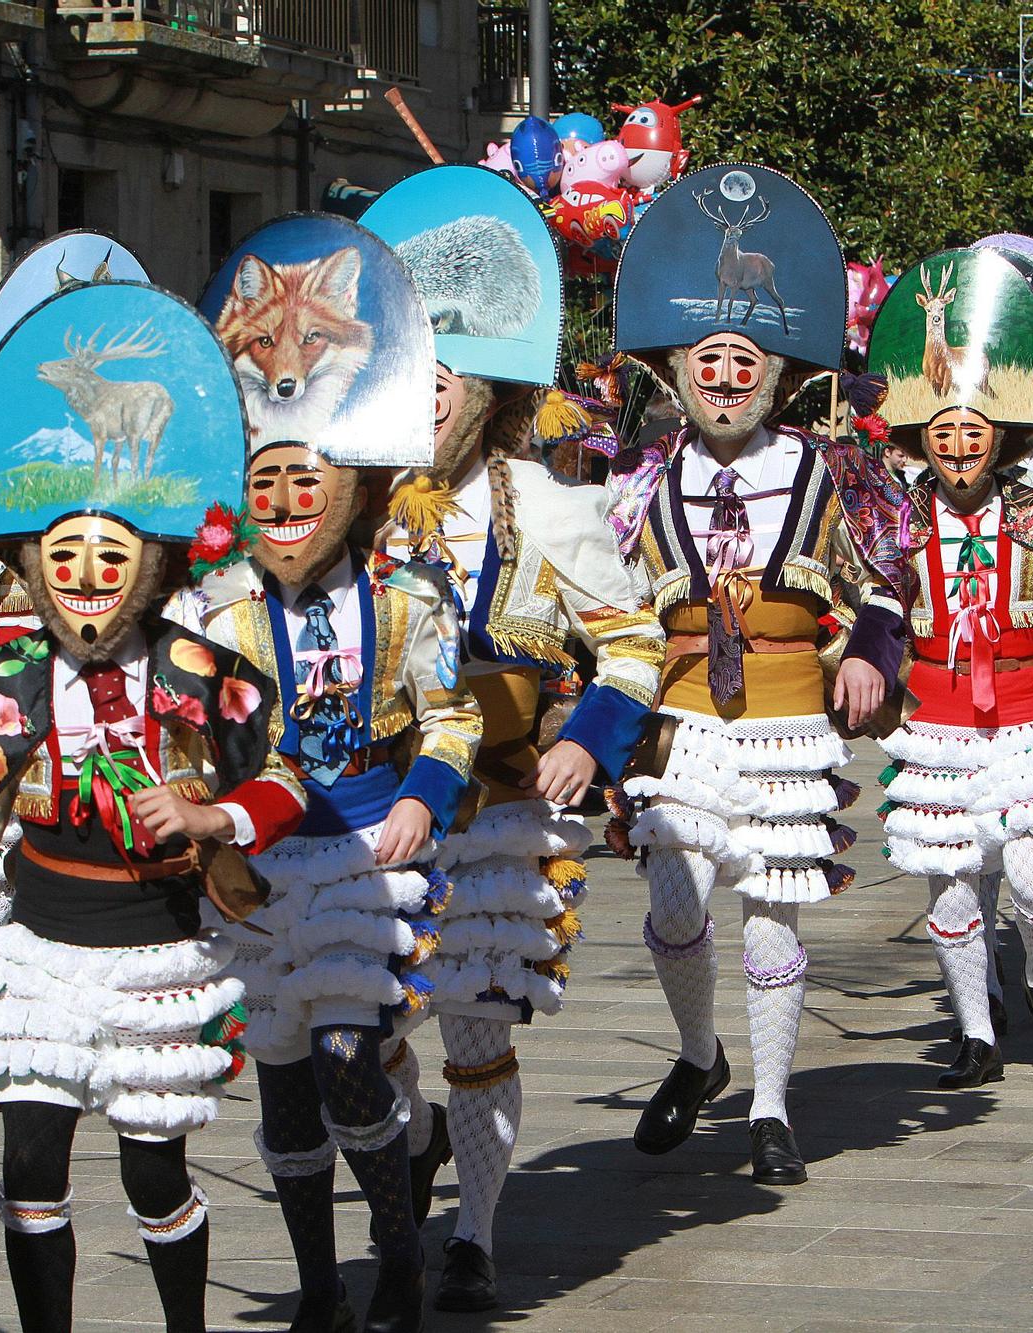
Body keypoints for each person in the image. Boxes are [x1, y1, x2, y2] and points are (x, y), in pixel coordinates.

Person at [0, 281, 299, 1333]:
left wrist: (209, 821)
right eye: (65, 559)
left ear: (150, 567)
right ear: (34, 572)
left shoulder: (206, 673)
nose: (86, 579)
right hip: (38, 946)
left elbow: (283, 780)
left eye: (108, 558)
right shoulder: (4, 684)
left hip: (157, 952)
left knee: (153, 1178)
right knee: (31, 1165)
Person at [362, 165, 665, 1308]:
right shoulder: (339, 499)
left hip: (496, 804)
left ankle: (473, 1238)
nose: (424, 399)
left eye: (443, 381)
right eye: (408, 378)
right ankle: (413, 1138)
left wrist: (590, 734)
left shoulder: (546, 507)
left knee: (477, 1022)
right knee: (362, 1029)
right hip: (366, 802)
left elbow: (632, 640)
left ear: (485, 394)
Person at [184, 213, 480, 1333]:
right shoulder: (208, 615)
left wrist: (419, 796)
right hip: (256, 870)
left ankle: (397, 1254)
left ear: (350, 487)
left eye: (306, 483)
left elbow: (449, 719)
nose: (287, 505)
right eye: (265, 484)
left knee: (354, 1052)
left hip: (363, 853)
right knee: (283, 1081)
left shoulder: (408, 603)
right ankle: (317, 1287)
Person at [601, 164, 906, 1182]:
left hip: (786, 718)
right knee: (674, 903)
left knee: (773, 905)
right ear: (676, 370)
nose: (725, 376)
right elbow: (598, 607)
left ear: (775, 372)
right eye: (706, 360)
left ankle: (770, 1106)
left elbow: (887, 583)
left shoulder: (828, 472)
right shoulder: (641, 481)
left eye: (743, 359)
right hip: (680, 717)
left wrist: (866, 651)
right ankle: (699, 1056)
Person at [864, 246, 1033, 1086]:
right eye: (943, 432)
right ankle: (975, 1031)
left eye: (973, 430)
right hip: (934, 716)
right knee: (949, 885)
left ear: (1001, 434)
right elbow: (867, 603)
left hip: (1024, 708)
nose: (958, 445)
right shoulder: (894, 515)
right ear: (922, 436)